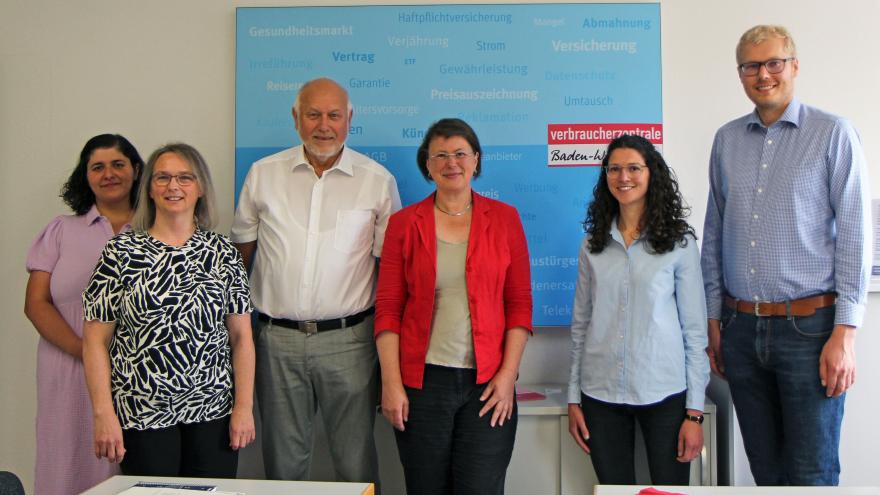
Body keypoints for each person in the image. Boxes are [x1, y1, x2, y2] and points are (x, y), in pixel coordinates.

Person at [701, 25, 871, 486]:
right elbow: (714, 233)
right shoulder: (727, 140)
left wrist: (846, 334)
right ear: (740, 74)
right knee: (767, 473)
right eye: (751, 66)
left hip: (811, 330)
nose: (764, 74)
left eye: (774, 62)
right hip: (740, 329)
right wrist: (714, 320)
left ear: (794, 66)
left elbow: (856, 235)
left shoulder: (833, 134)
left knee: (811, 474)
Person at [231, 77, 401, 485]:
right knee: (284, 464)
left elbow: (390, 273)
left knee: (355, 463)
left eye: (334, 115)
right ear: (295, 118)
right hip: (276, 341)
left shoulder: (377, 181)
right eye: (313, 114)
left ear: (349, 120)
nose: (323, 125)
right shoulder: (262, 175)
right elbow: (240, 260)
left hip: (351, 340)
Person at [375, 118, 532, 495]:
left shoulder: (506, 219)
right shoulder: (403, 224)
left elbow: (519, 305)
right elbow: (388, 309)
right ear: (426, 165)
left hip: (488, 384)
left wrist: (508, 376)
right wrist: (392, 384)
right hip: (422, 385)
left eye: (460, 153)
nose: (452, 163)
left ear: (476, 160)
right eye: (440, 155)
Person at [82, 143, 256, 477]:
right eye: (162, 178)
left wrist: (243, 408)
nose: (172, 187)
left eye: (184, 178)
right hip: (141, 412)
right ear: (148, 187)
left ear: (200, 187)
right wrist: (103, 413)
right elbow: (94, 342)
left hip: (212, 412)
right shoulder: (120, 252)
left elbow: (241, 338)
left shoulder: (222, 253)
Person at [567, 134, 709, 485]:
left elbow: (695, 331)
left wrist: (695, 413)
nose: (623, 177)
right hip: (599, 394)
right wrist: (574, 397)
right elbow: (581, 326)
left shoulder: (679, 243)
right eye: (614, 169)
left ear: (651, 174)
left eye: (633, 168)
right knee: (614, 492)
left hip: (664, 392)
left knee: (669, 493)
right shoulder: (592, 246)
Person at [25, 134, 143, 494]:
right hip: (68, 367)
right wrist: (87, 354)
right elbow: (35, 304)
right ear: (86, 176)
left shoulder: (156, 231)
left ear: (137, 170)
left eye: (118, 164)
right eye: (98, 167)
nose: (109, 174)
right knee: (67, 461)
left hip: (138, 374)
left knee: (128, 465)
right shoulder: (61, 230)